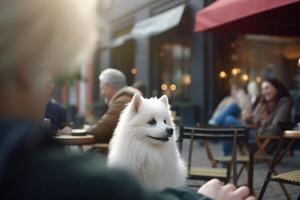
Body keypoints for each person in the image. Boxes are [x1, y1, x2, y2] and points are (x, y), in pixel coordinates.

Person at [0, 0, 255, 199]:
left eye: (102, 86)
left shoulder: (125, 101)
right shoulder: (86, 183)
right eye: (48, 67)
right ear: (26, 71)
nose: (50, 86)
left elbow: (103, 129)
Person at [209, 78, 292, 155]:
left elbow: (275, 128)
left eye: (267, 88)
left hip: (261, 138)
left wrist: (257, 127)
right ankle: (214, 125)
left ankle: (213, 129)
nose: (264, 92)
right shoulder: (263, 103)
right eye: (262, 89)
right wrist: (249, 119)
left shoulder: (284, 103)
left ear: (276, 88)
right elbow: (254, 120)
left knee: (228, 120)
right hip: (252, 132)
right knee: (232, 107)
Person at [87, 68, 140, 143]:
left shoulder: (122, 102)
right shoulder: (126, 99)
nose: (102, 93)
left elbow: (102, 129)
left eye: (102, 88)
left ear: (109, 86)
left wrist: (84, 131)